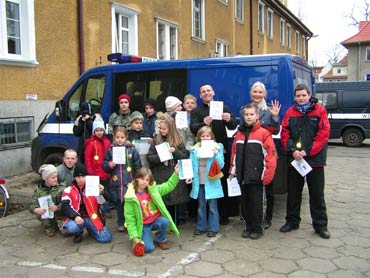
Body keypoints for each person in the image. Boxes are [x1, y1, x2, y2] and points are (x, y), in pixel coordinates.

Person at [280, 83, 331, 239]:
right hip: (295, 159)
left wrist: (307, 151)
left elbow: (323, 134)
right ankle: (292, 221)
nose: (301, 98)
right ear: (295, 97)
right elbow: (285, 133)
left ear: (309, 95)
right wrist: (292, 150)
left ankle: (320, 225)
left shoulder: (320, 111)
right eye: (298, 95)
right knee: (293, 193)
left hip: (314, 160)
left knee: (317, 194)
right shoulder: (290, 112)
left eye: (304, 95)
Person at [190, 84, 238, 225]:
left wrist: (229, 119)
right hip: (202, 155)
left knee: (220, 182)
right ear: (200, 95)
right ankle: (202, 216)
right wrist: (202, 123)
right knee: (203, 184)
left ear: (213, 92)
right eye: (203, 91)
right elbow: (192, 128)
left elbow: (233, 126)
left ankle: (223, 215)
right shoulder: (196, 111)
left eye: (208, 91)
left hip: (219, 152)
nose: (206, 93)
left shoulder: (222, 107)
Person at [230, 104, 277, 239]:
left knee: (257, 204)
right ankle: (248, 226)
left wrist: (266, 175)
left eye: (251, 114)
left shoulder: (264, 134)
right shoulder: (239, 134)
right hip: (242, 176)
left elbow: (270, 156)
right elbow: (234, 154)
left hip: (257, 177)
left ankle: (257, 228)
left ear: (257, 116)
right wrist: (232, 171)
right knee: (245, 203)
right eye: (246, 114)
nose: (249, 117)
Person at [240, 81, 281, 229]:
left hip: (266, 155)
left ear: (264, 94)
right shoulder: (244, 109)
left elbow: (276, 131)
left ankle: (267, 218)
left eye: (260, 92)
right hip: (250, 156)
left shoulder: (270, 111)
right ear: (251, 94)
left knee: (268, 190)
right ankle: (251, 219)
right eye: (255, 92)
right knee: (251, 191)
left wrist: (275, 117)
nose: (257, 94)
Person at [124, 165, 181, 256]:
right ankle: (142, 236)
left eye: (147, 180)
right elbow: (130, 219)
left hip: (155, 220)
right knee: (148, 248)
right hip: (143, 225)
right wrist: (134, 236)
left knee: (165, 221)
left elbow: (168, 186)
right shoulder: (131, 197)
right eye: (142, 179)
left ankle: (161, 239)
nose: (144, 182)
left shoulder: (153, 190)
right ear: (137, 179)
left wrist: (176, 174)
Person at [147, 116, 189, 225]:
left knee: (175, 199)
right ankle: (164, 223)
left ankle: (175, 221)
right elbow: (150, 157)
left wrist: (175, 151)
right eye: (160, 128)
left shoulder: (178, 140)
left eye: (164, 129)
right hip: (160, 173)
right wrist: (161, 156)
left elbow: (184, 156)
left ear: (171, 128)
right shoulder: (156, 140)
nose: (162, 131)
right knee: (163, 199)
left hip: (173, 172)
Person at [103, 126, 142, 232]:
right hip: (116, 182)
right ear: (114, 138)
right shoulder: (110, 150)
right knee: (119, 204)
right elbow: (105, 165)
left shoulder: (132, 150)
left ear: (126, 138)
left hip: (129, 182)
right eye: (117, 137)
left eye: (122, 137)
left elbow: (138, 166)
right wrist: (109, 165)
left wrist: (137, 179)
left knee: (129, 204)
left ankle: (130, 223)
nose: (119, 139)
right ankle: (121, 222)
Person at [61, 163, 112, 243]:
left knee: (106, 238)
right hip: (77, 218)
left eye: (83, 177)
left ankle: (91, 230)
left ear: (87, 177)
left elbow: (104, 202)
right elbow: (65, 206)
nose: (81, 179)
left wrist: (102, 193)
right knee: (71, 227)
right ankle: (78, 233)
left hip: (92, 217)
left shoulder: (94, 187)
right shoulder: (68, 190)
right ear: (74, 177)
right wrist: (75, 216)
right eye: (78, 177)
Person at [190, 126, 225, 237]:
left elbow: (221, 165)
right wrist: (189, 176)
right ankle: (201, 227)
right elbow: (191, 164)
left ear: (212, 137)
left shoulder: (217, 147)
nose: (205, 138)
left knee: (213, 206)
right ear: (199, 138)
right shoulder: (194, 149)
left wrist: (216, 154)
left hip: (211, 182)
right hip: (199, 181)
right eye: (203, 136)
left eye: (207, 136)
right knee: (201, 206)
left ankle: (213, 228)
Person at [84, 117, 112, 217]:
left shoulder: (107, 142)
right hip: (95, 173)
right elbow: (87, 158)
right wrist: (90, 170)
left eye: (101, 130)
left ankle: (107, 207)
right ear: (94, 131)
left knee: (107, 192)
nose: (99, 132)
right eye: (97, 130)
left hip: (106, 172)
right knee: (98, 192)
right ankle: (101, 209)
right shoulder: (91, 144)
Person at [29, 164, 65, 237]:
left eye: (56, 177)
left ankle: (60, 223)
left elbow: (67, 202)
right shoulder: (38, 190)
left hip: (60, 214)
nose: (56, 179)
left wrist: (57, 207)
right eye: (53, 177)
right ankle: (49, 225)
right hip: (47, 215)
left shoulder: (61, 188)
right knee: (50, 233)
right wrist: (35, 209)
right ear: (46, 178)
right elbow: (32, 202)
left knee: (66, 232)